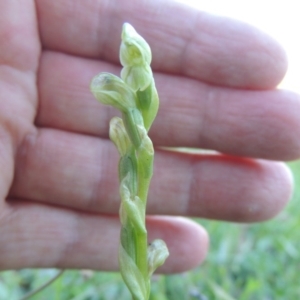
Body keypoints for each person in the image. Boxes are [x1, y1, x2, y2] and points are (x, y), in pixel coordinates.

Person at [0, 0, 299, 274]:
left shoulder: (139, 98)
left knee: (137, 184)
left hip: (136, 131)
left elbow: (138, 131)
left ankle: (144, 264)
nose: (131, 54)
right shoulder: (128, 103)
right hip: (131, 140)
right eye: (128, 51)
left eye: (135, 51)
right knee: (133, 195)